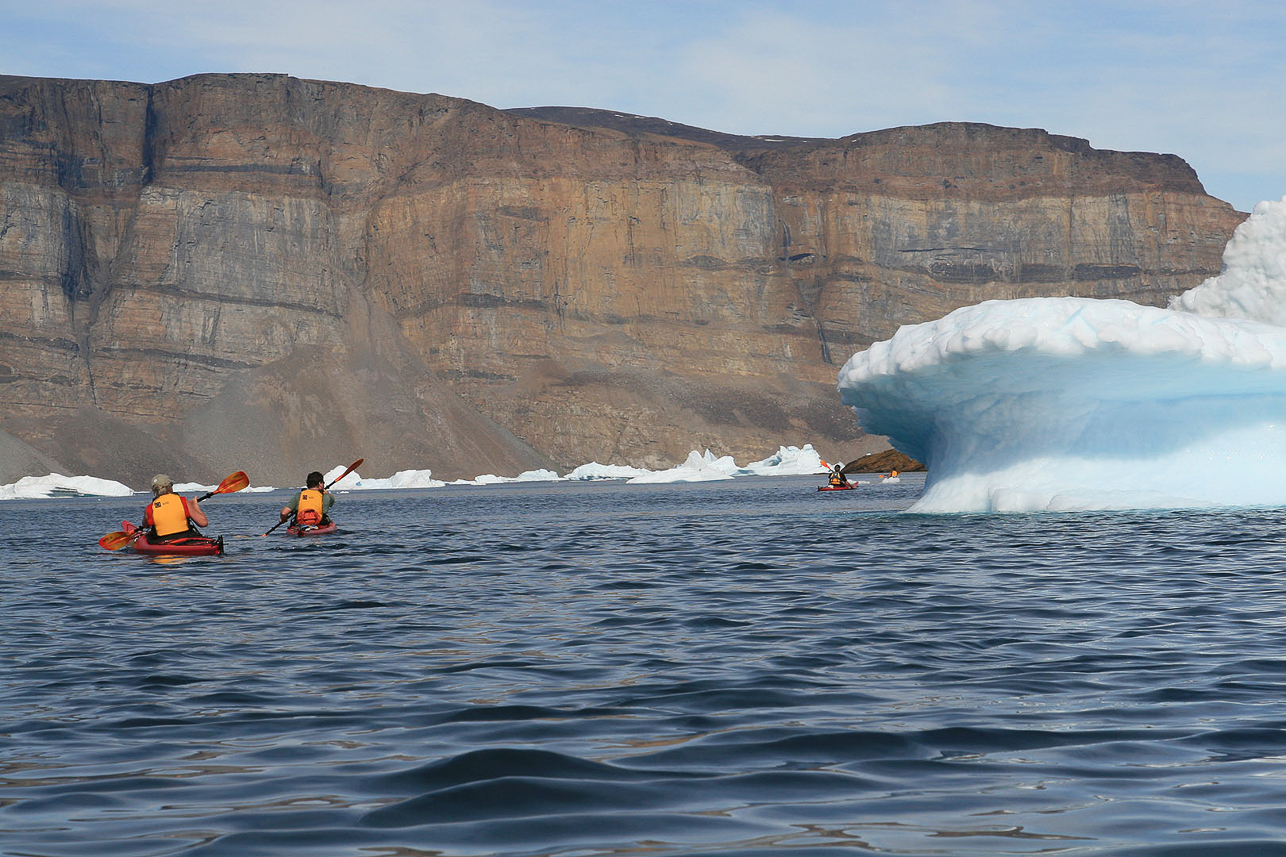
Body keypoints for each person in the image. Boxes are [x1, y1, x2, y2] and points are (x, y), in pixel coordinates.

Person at [143, 474, 209, 541]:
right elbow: (203, 523)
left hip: (162, 540)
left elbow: (145, 525)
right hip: (186, 538)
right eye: (171, 485)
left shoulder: (150, 508)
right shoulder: (183, 501)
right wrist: (195, 506)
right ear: (169, 487)